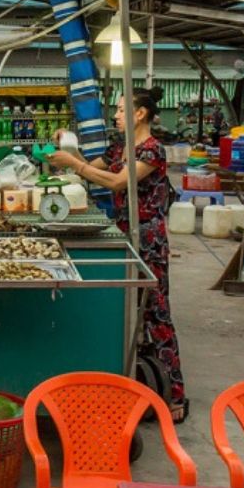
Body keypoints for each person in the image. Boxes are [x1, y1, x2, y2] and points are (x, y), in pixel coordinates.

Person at [47, 86, 186, 422]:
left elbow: (117, 183)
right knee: (129, 310)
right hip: (126, 232)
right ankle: (135, 383)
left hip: (148, 237)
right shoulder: (120, 147)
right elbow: (87, 167)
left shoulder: (153, 151)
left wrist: (75, 166)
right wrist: (67, 150)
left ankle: (176, 395)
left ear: (140, 114)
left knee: (155, 312)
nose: (117, 115)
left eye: (123, 110)